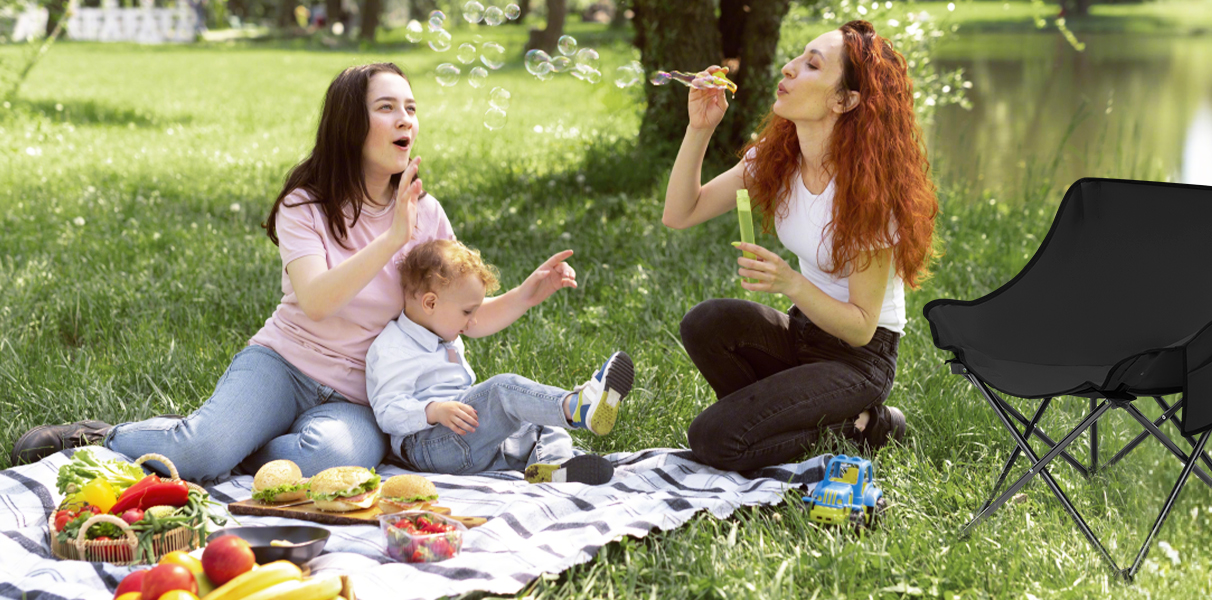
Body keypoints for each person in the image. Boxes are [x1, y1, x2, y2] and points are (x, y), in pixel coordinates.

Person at [9, 63, 578, 484]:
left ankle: (245, 446)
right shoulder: (306, 204)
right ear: (350, 125)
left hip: (360, 398)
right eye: (387, 107)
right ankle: (105, 436)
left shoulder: (424, 212)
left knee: (330, 460)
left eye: (410, 106)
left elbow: (464, 321)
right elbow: (317, 301)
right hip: (284, 363)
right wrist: (392, 240)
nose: (405, 118)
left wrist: (527, 294)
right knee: (204, 453)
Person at [660, 21, 941, 471]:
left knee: (711, 441)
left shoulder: (869, 195)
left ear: (844, 101)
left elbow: (861, 327)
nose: (789, 69)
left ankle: (863, 425)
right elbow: (680, 213)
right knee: (707, 321)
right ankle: (773, 420)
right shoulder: (779, 157)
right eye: (798, 57)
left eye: (812, 65)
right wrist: (699, 128)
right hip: (802, 334)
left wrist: (790, 282)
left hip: (858, 361)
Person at [366, 239, 631, 484]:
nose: (473, 321)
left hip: (466, 441)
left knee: (538, 417)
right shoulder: (393, 346)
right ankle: (578, 405)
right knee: (503, 390)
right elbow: (387, 412)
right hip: (428, 445)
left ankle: (554, 467)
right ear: (430, 303)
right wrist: (433, 410)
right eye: (468, 311)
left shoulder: (445, 335)